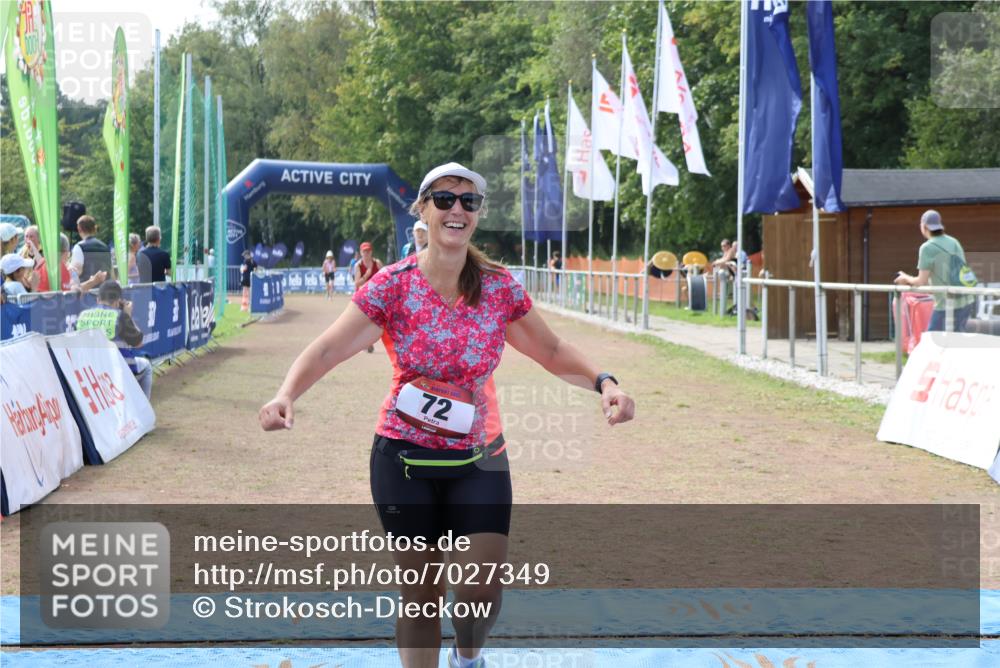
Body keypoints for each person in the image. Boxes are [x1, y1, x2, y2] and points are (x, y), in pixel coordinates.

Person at [258, 162, 635, 668]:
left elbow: (551, 349)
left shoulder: (499, 288)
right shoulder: (393, 286)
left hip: (479, 457)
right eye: (444, 199)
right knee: (421, 596)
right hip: (403, 459)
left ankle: (468, 655)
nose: (456, 209)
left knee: (481, 593)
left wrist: (604, 382)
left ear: (476, 215)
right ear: (423, 209)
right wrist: (286, 394)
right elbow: (328, 349)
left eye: (468, 201)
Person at [894, 209, 976, 333]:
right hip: (966, 299)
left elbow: (921, 281)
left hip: (946, 303)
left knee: (932, 341)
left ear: (924, 227)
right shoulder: (953, 242)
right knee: (954, 342)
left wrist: (905, 278)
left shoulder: (927, 247)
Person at [76, 280, 152, 400]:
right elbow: (138, 343)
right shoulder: (120, 315)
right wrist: (128, 315)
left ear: (98, 299)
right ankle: (143, 410)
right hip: (118, 373)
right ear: (117, 302)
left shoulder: (82, 315)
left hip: (89, 373)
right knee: (146, 366)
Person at [353, 241, 383, 352]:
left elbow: (386, 276)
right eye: (364, 251)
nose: (366, 253)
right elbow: (356, 283)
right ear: (361, 252)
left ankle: (368, 342)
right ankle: (367, 343)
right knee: (365, 323)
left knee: (374, 322)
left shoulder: (377, 263)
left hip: (376, 297)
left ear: (371, 252)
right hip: (362, 298)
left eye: (368, 251)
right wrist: (367, 275)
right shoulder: (358, 265)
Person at [70, 215, 113, 284]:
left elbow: (76, 271)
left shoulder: (79, 247)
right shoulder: (105, 247)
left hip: (87, 291)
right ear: (94, 228)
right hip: (105, 290)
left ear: (79, 228)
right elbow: (112, 273)